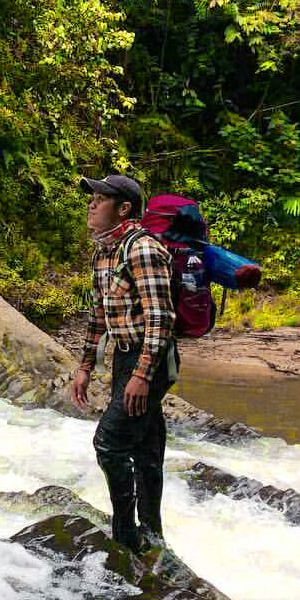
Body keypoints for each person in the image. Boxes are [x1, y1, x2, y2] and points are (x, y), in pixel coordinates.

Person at [70, 174, 178, 553]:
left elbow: (161, 319)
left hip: (152, 358)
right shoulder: (103, 253)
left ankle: (126, 538)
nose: (91, 204)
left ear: (124, 208)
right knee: (146, 451)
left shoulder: (142, 249)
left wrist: (142, 374)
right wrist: (85, 366)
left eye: (100, 199)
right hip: (124, 355)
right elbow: (98, 315)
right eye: (92, 198)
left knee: (109, 443)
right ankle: (153, 533)